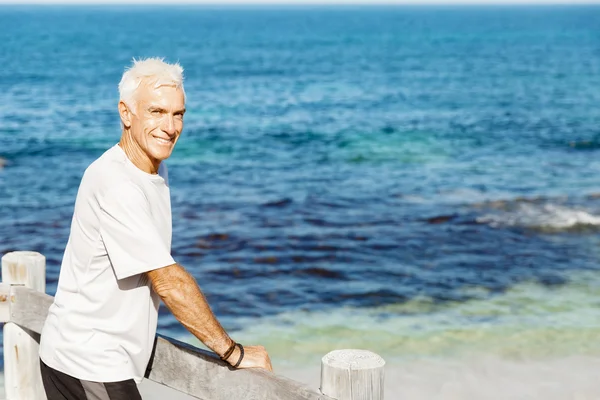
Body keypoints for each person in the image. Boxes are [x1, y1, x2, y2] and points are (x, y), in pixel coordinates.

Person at [38, 58, 272, 400]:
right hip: (89, 363)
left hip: (87, 357)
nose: (170, 126)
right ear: (126, 113)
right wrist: (232, 352)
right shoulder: (116, 183)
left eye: (178, 114)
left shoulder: (150, 170)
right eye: (157, 112)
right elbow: (168, 281)